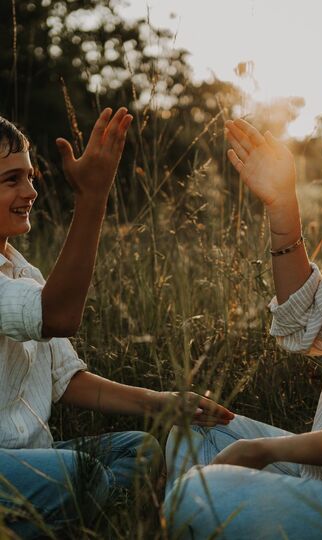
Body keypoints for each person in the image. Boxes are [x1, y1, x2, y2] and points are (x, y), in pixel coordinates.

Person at [0, 108, 235, 539]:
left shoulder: (25, 274)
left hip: (38, 458)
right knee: (87, 477)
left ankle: (48, 526)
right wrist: (93, 197)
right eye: (11, 180)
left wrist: (162, 401)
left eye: (31, 176)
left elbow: (66, 379)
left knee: (141, 449)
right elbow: (59, 316)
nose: (30, 190)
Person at [164, 53, 322, 539]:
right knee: (197, 430)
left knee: (195, 493)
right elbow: (305, 323)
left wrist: (268, 451)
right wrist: (282, 207)